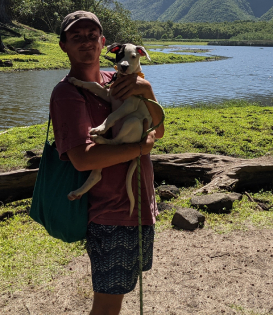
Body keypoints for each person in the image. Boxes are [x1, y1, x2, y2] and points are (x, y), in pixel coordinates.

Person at [49, 10, 164, 315]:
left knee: (120, 294)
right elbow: (85, 159)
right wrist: (140, 148)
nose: (85, 41)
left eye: (91, 36)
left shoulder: (120, 79)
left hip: (139, 205)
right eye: (76, 36)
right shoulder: (66, 93)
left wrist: (148, 91)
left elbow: (160, 130)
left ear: (103, 43)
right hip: (110, 214)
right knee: (107, 306)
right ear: (63, 45)